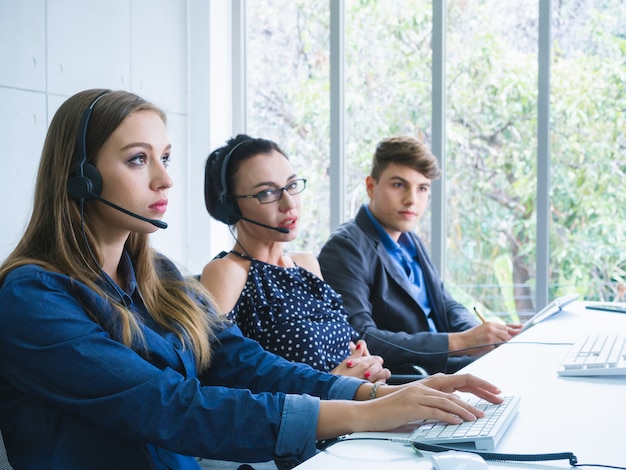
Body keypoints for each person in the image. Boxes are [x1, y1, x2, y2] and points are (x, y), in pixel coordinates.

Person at [0, 90, 506, 470]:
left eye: (165, 158)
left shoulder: (160, 280)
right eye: (138, 159)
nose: (165, 179)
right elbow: (167, 407)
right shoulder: (31, 298)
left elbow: (243, 363)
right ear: (81, 177)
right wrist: (361, 414)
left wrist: (377, 397)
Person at [318, 135, 522, 376]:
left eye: (422, 188)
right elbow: (360, 336)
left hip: (444, 365)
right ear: (371, 186)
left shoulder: (408, 238)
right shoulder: (345, 247)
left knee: (522, 366)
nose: (412, 199)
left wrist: (484, 336)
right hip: (409, 377)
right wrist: (460, 343)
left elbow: (446, 304)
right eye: (398, 185)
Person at [201, 134, 389, 383]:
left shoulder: (306, 264)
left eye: (291, 186)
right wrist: (331, 386)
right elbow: (218, 376)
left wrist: (361, 361)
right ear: (231, 208)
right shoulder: (227, 272)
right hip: (311, 417)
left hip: (360, 407)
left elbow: (341, 357)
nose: (289, 204)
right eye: (267, 193)